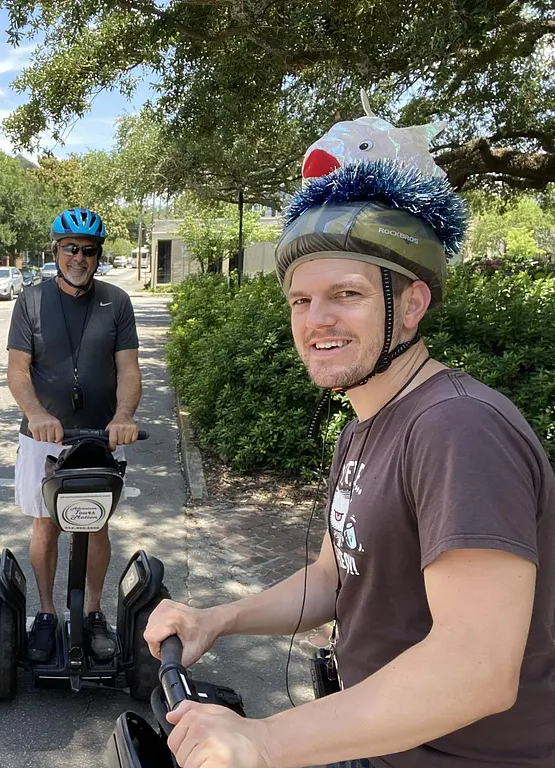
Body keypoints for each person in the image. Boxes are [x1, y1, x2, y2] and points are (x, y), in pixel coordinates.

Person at [144, 161, 555, 768]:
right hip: (371, 739)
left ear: (412, 304)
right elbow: (335, 580)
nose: (316, 321)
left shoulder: (458, 429)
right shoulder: (364, 427)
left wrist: (263, 739)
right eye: (301, 300)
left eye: (347, 294)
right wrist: (215, 620)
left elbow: (477, 669)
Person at [6, 207, 142, 663]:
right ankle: (46, 614)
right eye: (70, 249)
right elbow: (18, 371)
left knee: (95, 521)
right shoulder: (31, 301)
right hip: (44, 437)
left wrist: (124, 416)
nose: (78, 257)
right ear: (56, 250)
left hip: (102, 436)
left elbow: (128, 369)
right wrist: (36, 414)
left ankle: (93, 614)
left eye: (87, 250)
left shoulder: (116, 302)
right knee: (45, 525)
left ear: (97, 255)